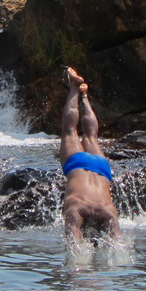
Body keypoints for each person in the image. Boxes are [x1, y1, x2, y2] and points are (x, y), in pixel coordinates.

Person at [59, 67, 121, 245]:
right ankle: (84, 96)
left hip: (97, 170)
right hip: (103, 201)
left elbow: (74, 250)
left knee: (72, 132)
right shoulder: (106, 211)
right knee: (88, 136)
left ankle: (75, 88)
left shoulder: (76, 210)